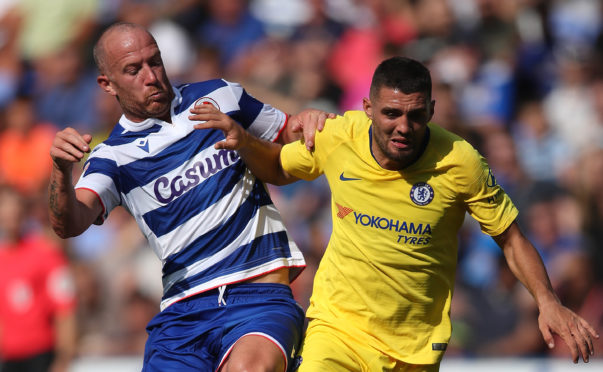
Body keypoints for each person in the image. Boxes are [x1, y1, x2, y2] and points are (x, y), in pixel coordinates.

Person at [192, 56, 600, 371]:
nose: (403, 126)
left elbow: (510, 239)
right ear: (368, 107)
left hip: (414, 347)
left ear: (432, 111)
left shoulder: (460, 161)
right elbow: (279, 167)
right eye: (391, 113)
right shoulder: (339, 136)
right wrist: (243, 139)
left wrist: (547, 301)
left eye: (416, 115)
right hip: (337, 330)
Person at [48, 22, 330, 372]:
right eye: (133, 70)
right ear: (107, 84)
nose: (151, 76)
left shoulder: (221, 96)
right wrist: (61, 171)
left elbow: (289, 131)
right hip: (183, 313)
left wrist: (309, 119)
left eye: (155, 62)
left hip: (258, 296)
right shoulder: (111, 157)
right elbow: (69, 223)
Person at [0, 185, 77, 372]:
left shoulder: (46, 254)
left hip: (41, 355)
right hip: (8, 357)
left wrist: (64, 358)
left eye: (15, 210)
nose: (11, 216)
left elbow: (65, 308)